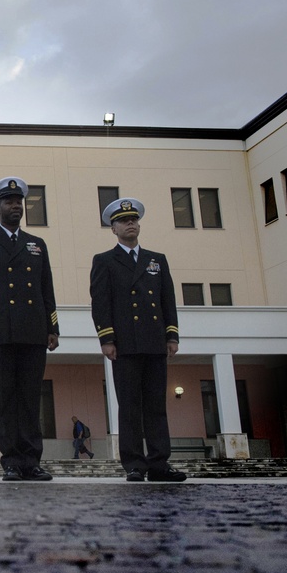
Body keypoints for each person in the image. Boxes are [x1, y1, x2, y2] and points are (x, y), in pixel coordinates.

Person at [0, 177, 60, 482]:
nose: (15, 206)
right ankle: (11, 461)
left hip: (33, 333)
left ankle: (31, 461)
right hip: (0, 335)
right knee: (6, 399)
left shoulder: (37, 245)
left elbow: (46, 289)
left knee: (31, 399)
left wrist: (52, 328)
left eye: (18, 202)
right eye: (9, 202)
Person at [91, 198, 186, 482]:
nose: (130, 224)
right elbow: (101, 303)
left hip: (154, 342)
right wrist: (106, 339)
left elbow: (167, 300)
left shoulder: (156, 260)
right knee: (130, 406)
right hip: (125, 345)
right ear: (113, 229)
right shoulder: (105, 261)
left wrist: (172, 335)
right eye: (123, 221)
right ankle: (134, 463)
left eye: (133, 219)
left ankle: (159, 463)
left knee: (156, 405)